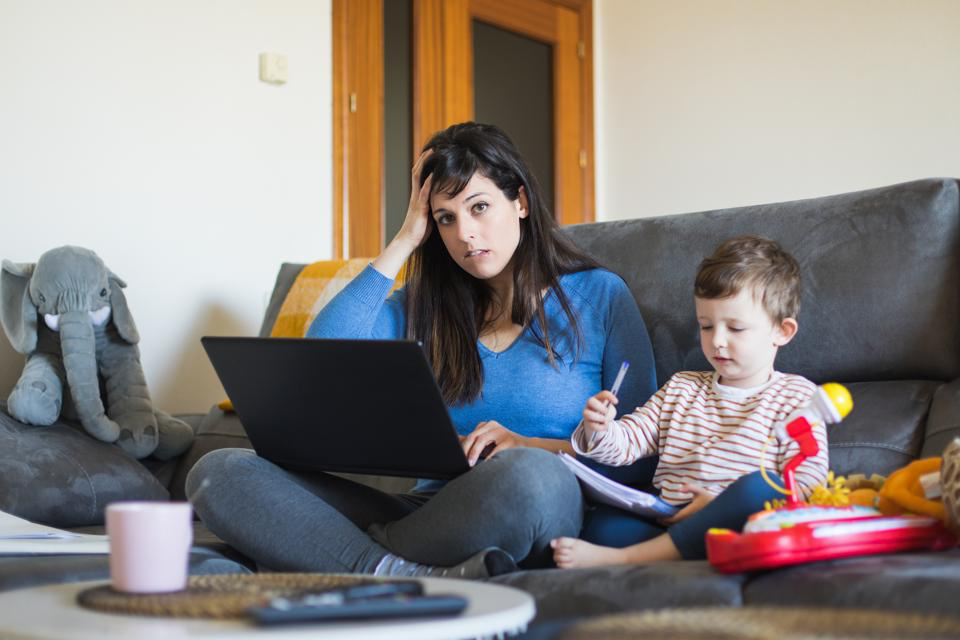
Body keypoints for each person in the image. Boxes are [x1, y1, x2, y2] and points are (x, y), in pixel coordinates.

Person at [186, 122, 657, 578]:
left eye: (479, 208)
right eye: (445, 218)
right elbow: (326, 354)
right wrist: (406, 237)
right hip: (426, 511)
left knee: (529, 476)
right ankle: (391, 571)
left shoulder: (599, 296)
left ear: (521, 202)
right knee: (219, 471)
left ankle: (345, 556)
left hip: (533, 500)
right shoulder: (424, 307)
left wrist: (530, 446)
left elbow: (643, 456)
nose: (464, 234)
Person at [551, 235, 829, 568]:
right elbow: (625, 446)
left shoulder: (798, 396)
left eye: (736, 328)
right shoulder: (682, 388)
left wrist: (720, 508)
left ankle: (630, 559)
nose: (718, 341)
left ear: (782, 332)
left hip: (741, 523)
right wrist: (599, 428)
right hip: (668, 521)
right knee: (602, 526)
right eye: (706, 326)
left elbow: (809, 485)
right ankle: (662, 553)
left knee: (761, 489)